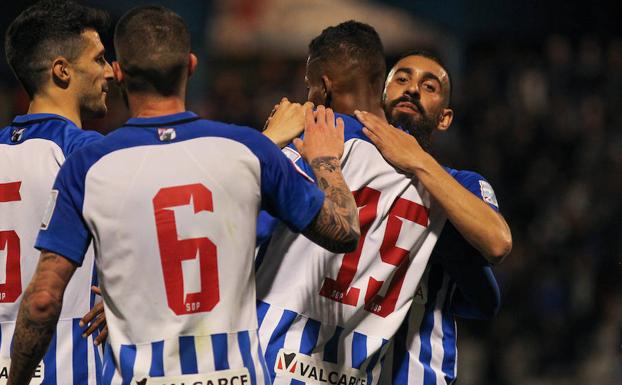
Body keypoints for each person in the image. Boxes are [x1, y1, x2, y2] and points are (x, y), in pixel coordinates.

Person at [7, 5, 360, 385]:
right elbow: (343, 231)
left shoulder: (93, 164)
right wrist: (323, 160)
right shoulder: (249, 150)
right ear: (192, 65)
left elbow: (43, 300)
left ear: (122, 72)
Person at [254, 21, 449, 385]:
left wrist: (266, 147)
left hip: (273, 361)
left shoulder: (303, 150)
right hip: (358, 370)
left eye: (310, 86)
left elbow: (232, 236)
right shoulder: (435, 185)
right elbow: (486, 292)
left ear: (324, 87)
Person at [354, 51, 512, 385]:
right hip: (333, 367)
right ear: (381, 98)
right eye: (401, 79)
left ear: (445, 118)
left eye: (429, 86)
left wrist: (418, 162)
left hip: (417, 374)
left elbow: (498, 242)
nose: (412, 89)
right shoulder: (346, 165)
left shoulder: (464, 184)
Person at [0, 1, 112, 384]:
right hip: (66, 363)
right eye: (99, 59)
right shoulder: (87, 154)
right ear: (62, 70)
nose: (110, 72)